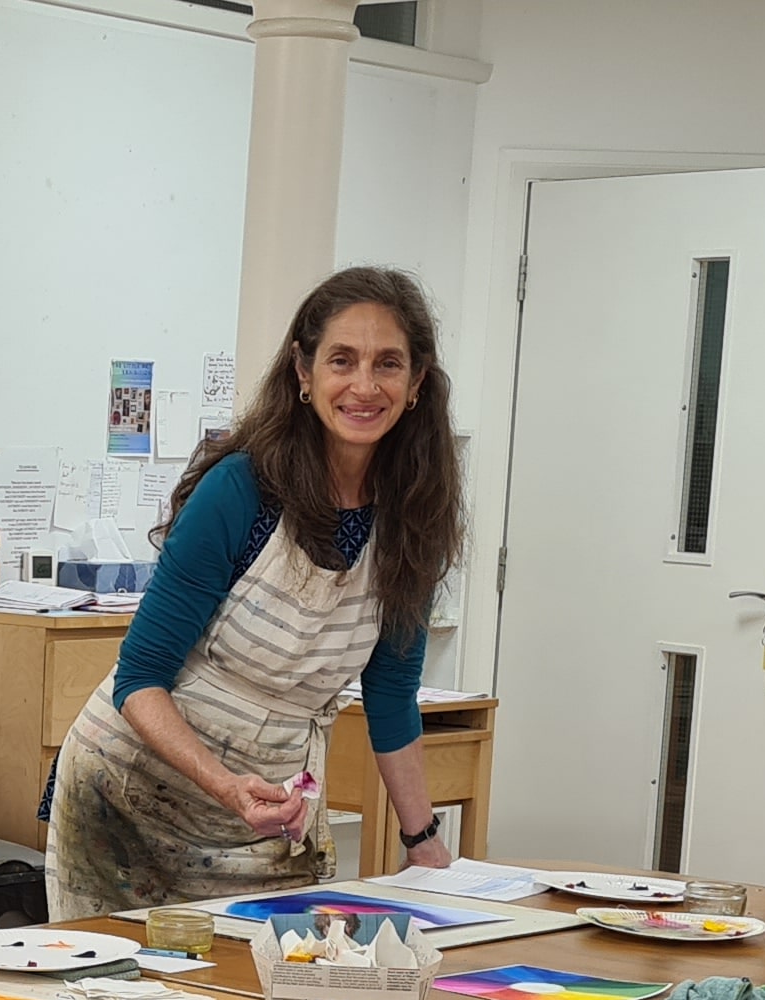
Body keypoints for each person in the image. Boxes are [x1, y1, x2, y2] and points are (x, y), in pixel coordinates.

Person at [46, 266, 467, 918]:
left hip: (267, 818)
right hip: (130, 804)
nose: (364, 385)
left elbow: (390, 695)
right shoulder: (241, 491)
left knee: (279, 998)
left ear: (416, 383)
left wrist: (424, 844)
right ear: (304, 373)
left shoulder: (413, 518)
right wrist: (225, 785)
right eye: (341, 361)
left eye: (388, 364)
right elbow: (140, 680)